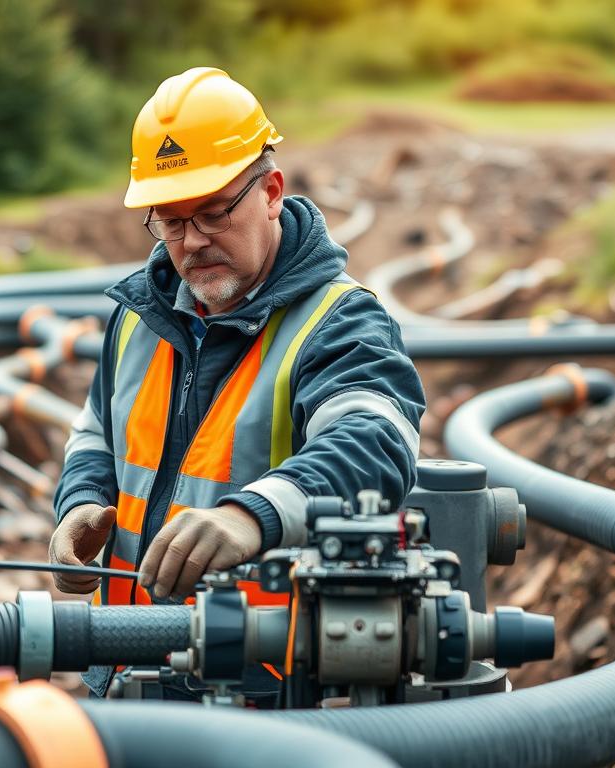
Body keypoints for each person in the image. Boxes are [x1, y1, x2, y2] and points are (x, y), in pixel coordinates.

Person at [49, 67, 426, 701]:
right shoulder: (138, 317)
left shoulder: (338, 321)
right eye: (169, 221)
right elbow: (95, 432)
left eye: (213, 213)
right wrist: (81, 504)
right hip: (126, 669)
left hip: (263, 695)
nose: (191, 243)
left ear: (272, 191)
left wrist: (253, 516)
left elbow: (377, 441)